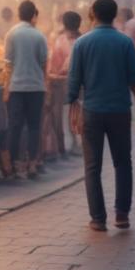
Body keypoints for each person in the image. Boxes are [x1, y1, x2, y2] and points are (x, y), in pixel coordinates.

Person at [67, 0, 135, 232]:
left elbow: (74, 80)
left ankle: (98, 218)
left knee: (92, 166)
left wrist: (73, 106)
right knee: (123, 163)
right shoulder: (125, 43)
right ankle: (121, 215)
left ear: (92, 13)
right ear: (114, 15)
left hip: (92, 111)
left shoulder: (82, 43)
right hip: (120, 111)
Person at [5, 1, 48, 178]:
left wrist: (5, 90)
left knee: (15, 127)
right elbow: (44, 63)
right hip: (36, 88)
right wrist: (43, 83)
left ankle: (13, 165)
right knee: (34, 126)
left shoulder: (11, 34)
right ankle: (31, 165)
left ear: (18, 14)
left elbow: (8, 65)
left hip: (16, 88)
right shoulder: (39, 36)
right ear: (34, 16)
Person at [47, 11, 83, 159]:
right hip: (81, 83)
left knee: (63, 115)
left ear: (64, 24)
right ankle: (77, 144)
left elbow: (54, 64)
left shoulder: (59, 40)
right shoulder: (84, 40)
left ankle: (67, 145)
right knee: (76, 112)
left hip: (63, 82)